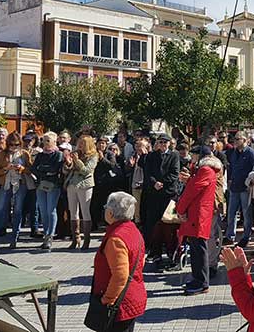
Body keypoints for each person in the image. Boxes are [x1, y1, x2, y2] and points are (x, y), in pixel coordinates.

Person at [91, 192, 146, 332]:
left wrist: (107, 299)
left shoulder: (116, 238)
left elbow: (120, 276)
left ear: (110, 213)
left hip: (120, 302)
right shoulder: (133, 230)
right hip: (132, 295)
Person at [177, 147, 223, 295]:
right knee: (196, 248)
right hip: (198, 212)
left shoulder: (206, 170)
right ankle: (198, 279)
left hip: (198, 213)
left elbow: (192, 191)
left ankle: (202, 282)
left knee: (199, 248)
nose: (192, 158)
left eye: (194, 155)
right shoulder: (205, 170)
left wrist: (180, 208)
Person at [0, 133, 33, 250]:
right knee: (0, 210)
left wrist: (22, 169)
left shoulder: (24, 154)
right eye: (12, 144)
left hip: (20, 183)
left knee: (18, 211)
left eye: (17, 144)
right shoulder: (3, 154)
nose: (14, 147)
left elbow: (30, 170)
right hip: (6, 183)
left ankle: (14, 238)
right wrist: (6, 168)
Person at [140, 133, 180, 260]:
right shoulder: (152, 156)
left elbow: (174, 173)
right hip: (154, 194)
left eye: (165, 142)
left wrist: (161, 182)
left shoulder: (174, 155)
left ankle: (170, 250)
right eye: (160, 142)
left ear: (169, 143)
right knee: (154, 223)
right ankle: (155, 251)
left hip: (168, 193)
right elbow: (148, 172)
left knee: (169, 223)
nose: (162, 145)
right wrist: (154, 183)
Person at [224, 131, 254, 248]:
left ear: (245, 140)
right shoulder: (233, 153)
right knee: (231, 212)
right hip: (234, 186)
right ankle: (230, 236)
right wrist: (229, 179)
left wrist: (250, 182)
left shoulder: (251, 153)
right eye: (235, 139)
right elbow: (231, 167)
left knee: (246, 213)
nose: (235, 141)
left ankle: (246, 236)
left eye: (238, 139)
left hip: (245, 188)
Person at [63, 135, 98, 250]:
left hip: (85, 185)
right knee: (73, 212)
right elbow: (65, 170)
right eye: (79, 143)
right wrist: (68, 163)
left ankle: (86, 240)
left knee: (85, 211)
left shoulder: (93, 155)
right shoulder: (75, 153)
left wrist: (77, 161)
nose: (80, 145)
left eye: (83, 143)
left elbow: (86, 171)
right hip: (72, 184)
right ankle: (75, 238)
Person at [31, 132, 64, 250]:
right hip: (40, 184)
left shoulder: (58, 154)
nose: (45, 143)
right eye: (44, 140)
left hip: (53, 185)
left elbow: (55, 169)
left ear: (55, 142)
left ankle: (50, 235)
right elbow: (34, 168)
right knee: (43, 211)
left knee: (51, 210)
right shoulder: (40, 155)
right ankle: (46, 234)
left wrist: (43, 169)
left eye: (48, 140)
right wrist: (45, 171)